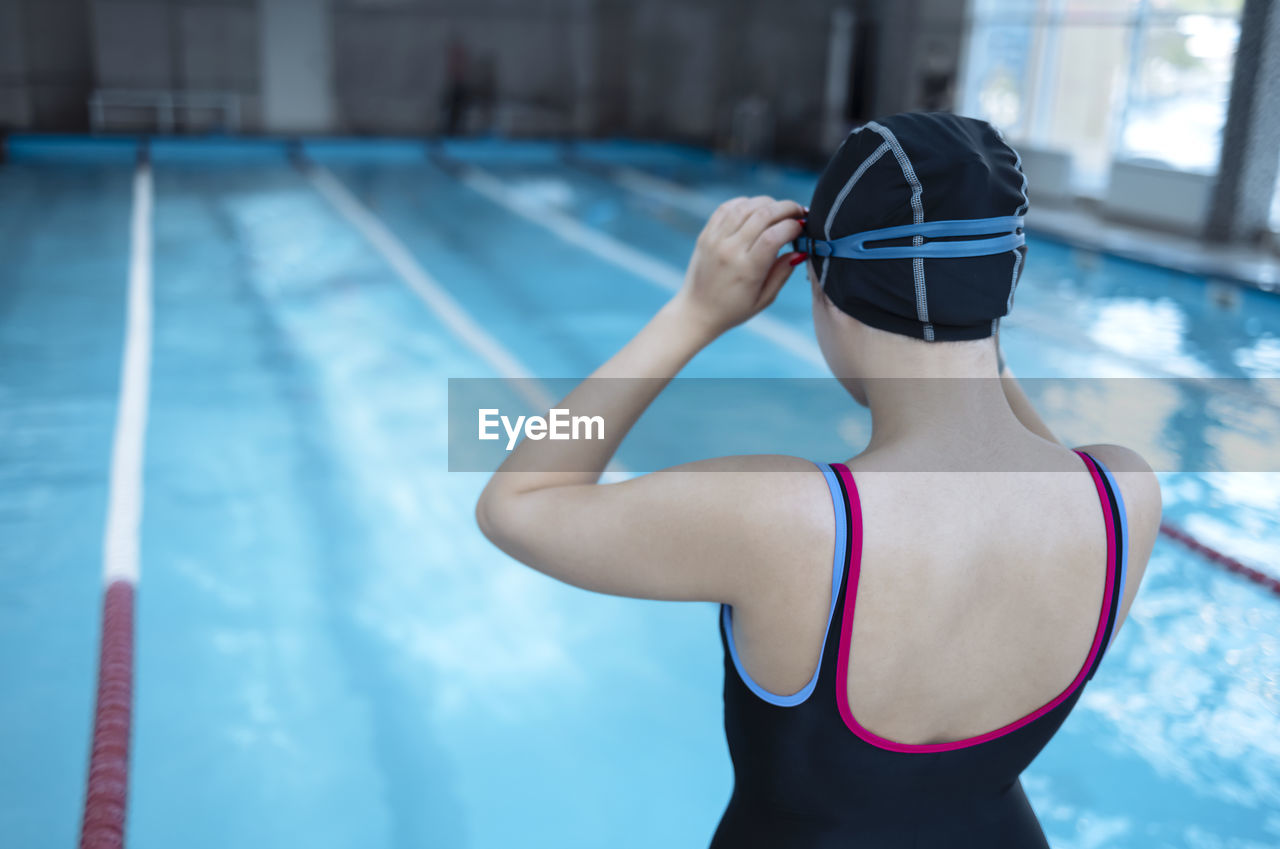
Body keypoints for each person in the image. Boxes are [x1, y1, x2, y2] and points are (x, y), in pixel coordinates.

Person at [475, 112, 1161, 848]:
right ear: (1005, 287)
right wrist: (971, 317)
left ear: (828, 296)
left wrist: (692, 315)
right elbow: (1007, 428)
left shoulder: (788, 522)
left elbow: (518, 502)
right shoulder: (1123, 497)